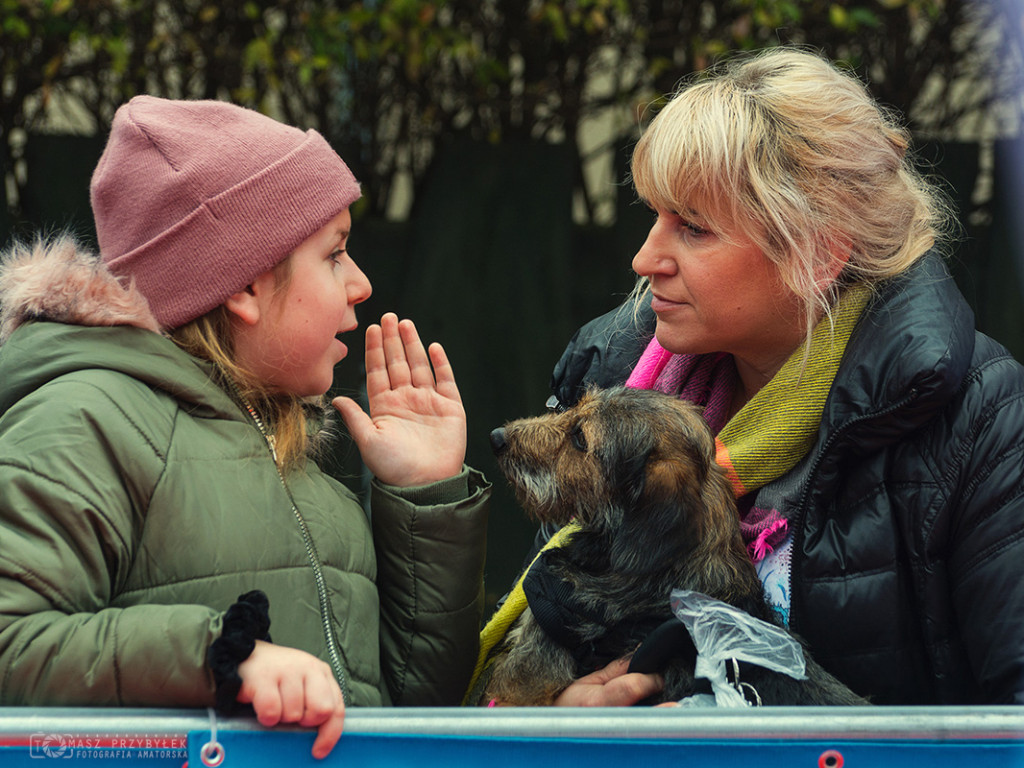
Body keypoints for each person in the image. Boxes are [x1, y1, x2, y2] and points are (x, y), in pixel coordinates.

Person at [475, 47, 1024, 706]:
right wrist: (565, 712)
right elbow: (551, 643)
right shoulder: (619, 380)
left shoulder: (981, 419)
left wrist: (739, 721)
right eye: (654, 216)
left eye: (694, 229)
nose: (645, 257)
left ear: (816, 252)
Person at [0, 96, 489, 757]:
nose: (361, 283)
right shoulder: (84, 419)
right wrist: (218, 656)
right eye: (335, 254)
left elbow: (403, 709)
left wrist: (424, 497)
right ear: (246, 285)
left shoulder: (294, 452)